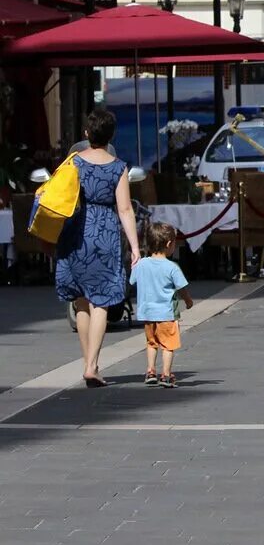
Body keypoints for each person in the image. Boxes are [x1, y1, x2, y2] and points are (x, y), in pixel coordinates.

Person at [55, 109, 139, 388]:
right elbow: (125, 209)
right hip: (105, 234)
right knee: (101, 300)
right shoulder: (118, 167)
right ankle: (92, 365)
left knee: (80, 299)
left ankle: (86, 362)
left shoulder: (73, 163)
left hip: (76, 231)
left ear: (87, 134)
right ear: (112, 135)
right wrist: (136, 248)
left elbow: (58, 196)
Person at [131, 222, 195, 388]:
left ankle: (150, 371)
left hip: (147, 313)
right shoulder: (172, 267)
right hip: (166, 313)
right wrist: (188, 301)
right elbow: (182, 288)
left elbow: (132, 281)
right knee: (168, 345)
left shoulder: (141, 264)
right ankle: (166, 375)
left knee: (151, 343)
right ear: (168, 244)